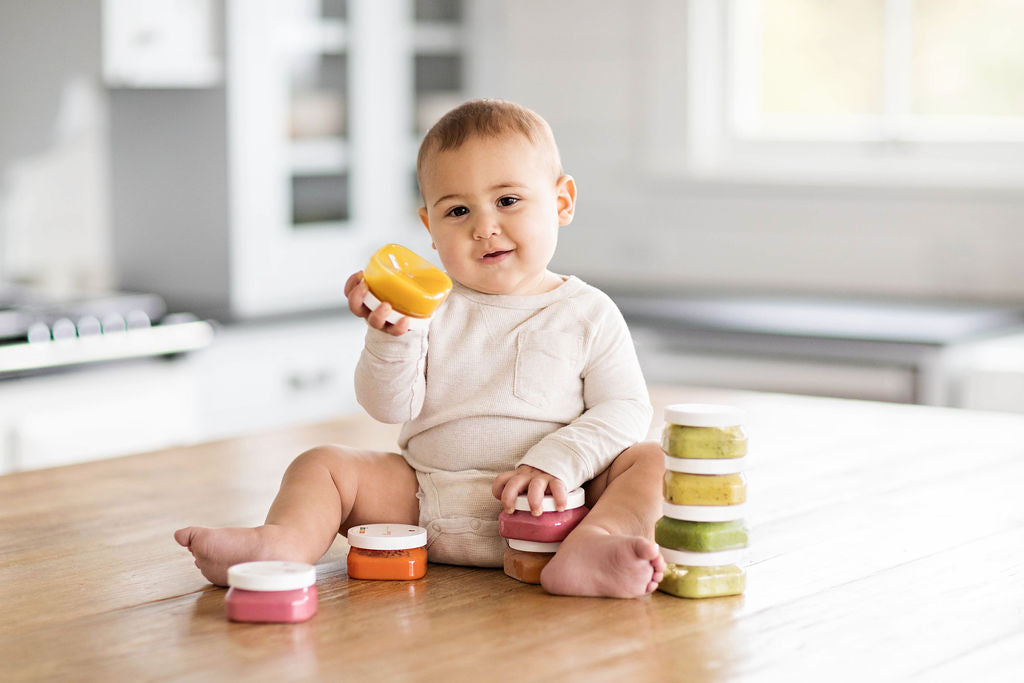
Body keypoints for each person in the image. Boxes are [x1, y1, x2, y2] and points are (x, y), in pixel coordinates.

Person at [175, 99, 666, 598]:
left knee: (650, 461)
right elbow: (388, 408)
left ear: (562, 202)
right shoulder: (426, 309)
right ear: (430, 228)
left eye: (508, 201)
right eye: (457, 210)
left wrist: (557, 463)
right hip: (426, 497)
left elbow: (625, 408)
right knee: (323, 463)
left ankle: (594, 546)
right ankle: (283, 545)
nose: (484, 227)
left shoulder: (588, 311)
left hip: (560, 507)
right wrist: (393, 337)